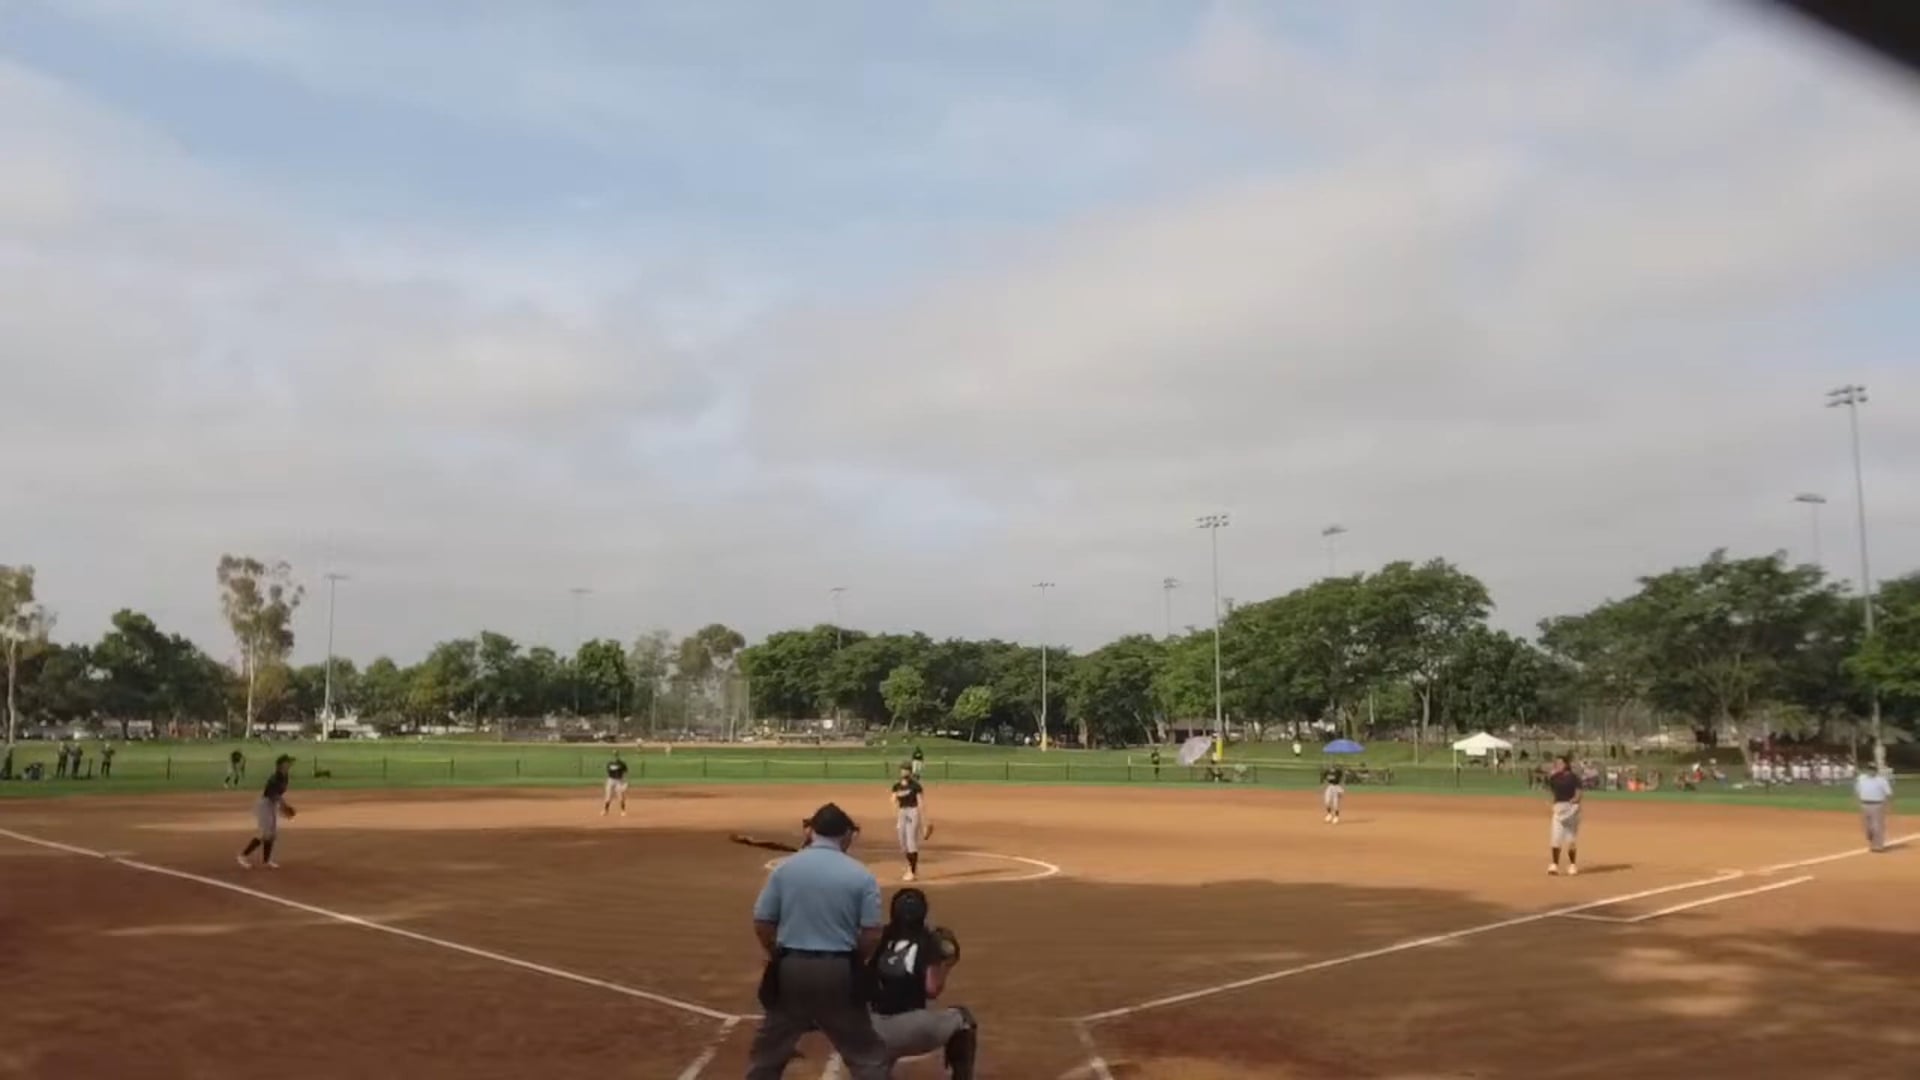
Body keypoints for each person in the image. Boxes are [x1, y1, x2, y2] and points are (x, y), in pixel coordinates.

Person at [746, 803, 889, 1079]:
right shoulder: (861, 875)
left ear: (811, 832)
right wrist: (855, 960)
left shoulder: (784, 870)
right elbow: (871, 933)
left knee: (768, 1052)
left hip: (791, 968)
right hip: (839, 968)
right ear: (846, 834)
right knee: (865, 1054)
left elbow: (763, 922)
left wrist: (776, 954)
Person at [869, 888, 977, 1079]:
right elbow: (931, 989)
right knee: (964, 1019)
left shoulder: (878, 937)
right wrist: (946, 965)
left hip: (870, 1031)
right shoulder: (928, 940)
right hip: (913, 1028)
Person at [237, 754, 296, 871]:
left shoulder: (285, 776)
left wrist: (283, 807)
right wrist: (284, 807)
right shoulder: (275, 778)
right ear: (280, 765)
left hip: (271, 804)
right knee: (265, 833)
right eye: (287, 763)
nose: (289, 765)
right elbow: (272, 795)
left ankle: (266, 861)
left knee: (272, 834)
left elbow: (278, 796)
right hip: (265, 805)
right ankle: (242, 856)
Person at [891, 763, 927, 882]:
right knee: (902, 843)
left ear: (910, 772)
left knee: (911, 840)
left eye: (906, 770)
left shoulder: (915, 786)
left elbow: (921, 803)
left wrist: (924, 822)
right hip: (902, 813)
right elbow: (893, 800)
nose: (904, 772)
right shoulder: (896, 786)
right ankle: (910, 865)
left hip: (912, 811)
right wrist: (895, 798)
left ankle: (912, 870)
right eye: (902, 770)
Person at [1546, 755, 1581, 876]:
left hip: (1571, 809)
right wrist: (1552, 804)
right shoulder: (1554, 778)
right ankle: (1554, 864)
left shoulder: (1573, 777)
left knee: (1570, 839)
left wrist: (1575, 800)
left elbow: (1578, 792)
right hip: (1558, 809)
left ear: (1566, 764)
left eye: (1560, 763)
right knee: (1555, 838)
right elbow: (1552, 792)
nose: (1558, 765)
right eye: (1556, 763)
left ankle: (1572, 865)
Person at [1855, 764, 1894, 853]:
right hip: (1864, 804)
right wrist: (1857, 801)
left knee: (1877, 826)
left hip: (1877, 805)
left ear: (1876, 771)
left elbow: (1888, 793)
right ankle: (1872, 840)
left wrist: (1889, 805)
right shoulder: (1861, 779)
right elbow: (1857, 791)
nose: (1871, 771)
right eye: (1869, 769)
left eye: (1872, 770)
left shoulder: (1881, 780)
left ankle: (1879, 845)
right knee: (1867, 827)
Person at [602, 752, 629, 817]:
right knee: (608, 796)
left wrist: (625, 782)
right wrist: (607, 781)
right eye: (614, 755)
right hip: (610, 780)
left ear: (618, 756)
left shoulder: (622, 763)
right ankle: (605, 810)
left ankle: (623, 811)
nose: (614, 757)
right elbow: (608, 773)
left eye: (616, 755)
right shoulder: (609, 763)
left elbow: (626, 772)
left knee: (621, 796)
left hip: (619, 780)